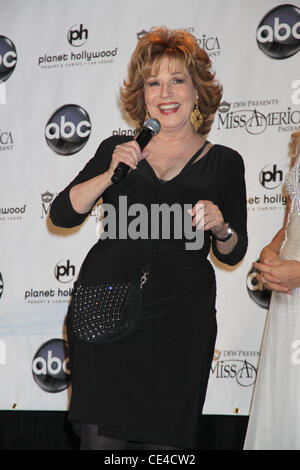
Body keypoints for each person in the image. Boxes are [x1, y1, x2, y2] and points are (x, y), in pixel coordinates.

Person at [50, 27, 248, 450]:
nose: (166, 92)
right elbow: (63, 214)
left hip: (182, 325)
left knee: (166, 451)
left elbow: (234, 251)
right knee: (102, 446)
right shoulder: (116, 148)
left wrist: (221, 228)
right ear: (141, 95)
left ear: (198, 90)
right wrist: (108, 174)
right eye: (153, 82)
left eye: (178, 80)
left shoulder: (225, 163)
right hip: (105, 310)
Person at [244, 131, 300, 450]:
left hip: (296, 278)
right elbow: (292, 219)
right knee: (285, 396)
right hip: (286, 290)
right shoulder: (299, 142)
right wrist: (271, 249)